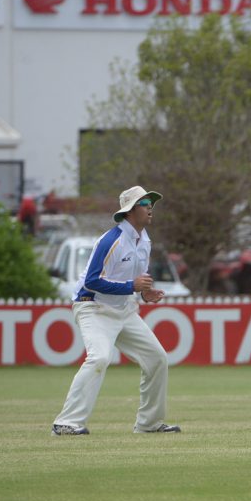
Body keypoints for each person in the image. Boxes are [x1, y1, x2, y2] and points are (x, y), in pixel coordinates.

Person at [51, 186, 180, 436]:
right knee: (99, 358)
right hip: (93, 307)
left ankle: (149, 424)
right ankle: (66, 423)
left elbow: (135, 281)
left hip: (123, 310)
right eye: (144, 203)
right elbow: (91, 281)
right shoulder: (111, 240)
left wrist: (144, 293)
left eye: (151, 202)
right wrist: (132, 286)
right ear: (130, 211)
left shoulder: (145, 241)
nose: (150, 207)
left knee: (157, 359)